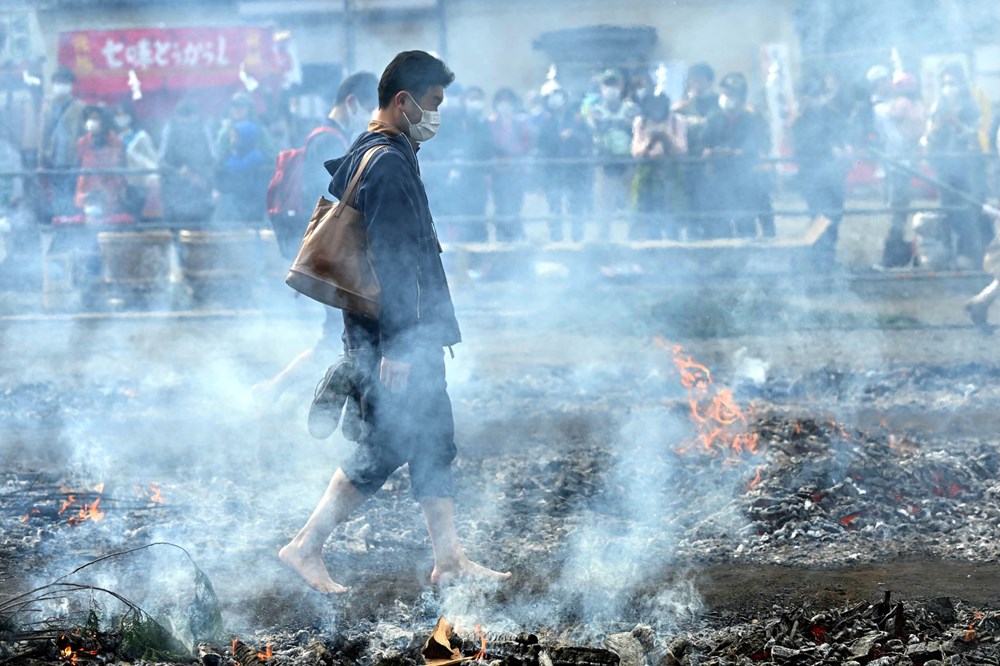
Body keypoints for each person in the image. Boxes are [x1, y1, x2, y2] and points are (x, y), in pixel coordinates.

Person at [278, 50, 512, 593]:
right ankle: (305, 546)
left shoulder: (376, 149)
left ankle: (449, 559)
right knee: (388, 446)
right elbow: (392, 258)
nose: (437, 114)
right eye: (433, 103)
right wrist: (400, 347)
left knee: (431, 438)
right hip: (397, 334)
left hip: (394, 332)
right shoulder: (386, 162)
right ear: (403, 101)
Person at [253, 72, 379, 404]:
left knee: (339, 338)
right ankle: (276, 391)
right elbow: (329, 201)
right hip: (336, 257)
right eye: (369, 108)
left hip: (335, 256)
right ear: (351, 102)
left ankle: (279, 391)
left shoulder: (331, 138)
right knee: (339, 339)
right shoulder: (328, 141)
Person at [923, 64, 988, 269]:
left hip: (968, 168)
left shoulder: (971, 107)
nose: (948, 88)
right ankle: (948, 256)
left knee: (969, 211)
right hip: (945, 168)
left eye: (952, 83)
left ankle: (969, 257)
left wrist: (958, 123)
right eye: (945, 84)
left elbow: (977, 135)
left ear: (961, 84)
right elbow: (929, 137)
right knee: (947, 211)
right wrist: (937, 127)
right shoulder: (937, 106)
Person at [701, 72, 773, 238]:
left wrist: (740, 152)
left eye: (731, 93)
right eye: (725, 93)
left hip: (745, 175)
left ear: (740, 97)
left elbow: (759, 142)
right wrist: (708, 149)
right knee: (720, 218)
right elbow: (704, 139)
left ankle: (745, 255)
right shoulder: (715, 117)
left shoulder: (751, 118)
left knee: (745, 217)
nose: (726, 97)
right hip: (720, 174)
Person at [792, 74, 849, 268]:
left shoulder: (832, 114)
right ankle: (814, 255)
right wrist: (827, 149)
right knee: (820, 216)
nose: (816, 97)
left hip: (835, 176)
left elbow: (844, 134)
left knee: (836, 215)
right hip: (812, 178)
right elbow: (801, 148)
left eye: (819, 93)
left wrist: (846, 147)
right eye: (812, 94)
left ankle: (828, 255)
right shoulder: (800, 120)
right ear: (804, 96)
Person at [874, 71, 926, 268]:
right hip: (907, 160)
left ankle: (891, 257)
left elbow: (889, 115)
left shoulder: (901, 104)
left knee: (896, 210)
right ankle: (897, 252)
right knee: (900, 209)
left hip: (898, 161)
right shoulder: (918, 104)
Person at [585, 69, 639, 239]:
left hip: (628, 163)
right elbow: (594, 128)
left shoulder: (632, 108)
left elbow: (635, 128)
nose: (611, 88)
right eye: (607, 84)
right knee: (602, 205)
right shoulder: (594, 110)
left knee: (632, 204)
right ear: (601, 87)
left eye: (614, 84)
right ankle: (603, 240)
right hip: (604, 164)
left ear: (621, 86)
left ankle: (634, 239)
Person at [536, 86, 592, 242]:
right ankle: (556, 240)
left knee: (576, 207)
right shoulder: (545, 122)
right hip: (553, 171)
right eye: (552, 96)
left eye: (558, 95)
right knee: (554, 208)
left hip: (575, 170)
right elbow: (541, 147)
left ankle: (577, 239)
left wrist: (573, 134)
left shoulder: (577, 119)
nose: (556, 99)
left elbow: (588, 140)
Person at [630, 91, 687, 240]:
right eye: (652, 104)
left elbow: (682, 150)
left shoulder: (676, 121)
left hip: (670, 174)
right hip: (647, 176)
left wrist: (667, 137)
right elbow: (636, 152)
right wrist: (649, 140)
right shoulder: (640, 122)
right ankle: (653, 252)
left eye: (659, 104)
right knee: (649, 216)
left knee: (672, 215)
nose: (656, 108)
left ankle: (674, 248)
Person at [38, 67, 86, 220]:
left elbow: (83, 134)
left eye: (65, 82)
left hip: (72, 159)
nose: (61, 85)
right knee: (56, 193)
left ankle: (70, 222)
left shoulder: (79, 107)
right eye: (58, 82)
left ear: (71, 85)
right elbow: (42, 135)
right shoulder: (47, 107)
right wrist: (41, 160)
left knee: (71, 193)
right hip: (52, 158)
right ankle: (59, 222)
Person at [159, 99, 216, 224]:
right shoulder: (171, 128)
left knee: (201, 224)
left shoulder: (203, 128)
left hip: (200, 187)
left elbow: (211, 158)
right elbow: (163, 161)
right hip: (175, 188)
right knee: (176, 222)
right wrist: (180, 173)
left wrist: (201, 176)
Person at [488, 87, 531, 242]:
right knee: (500, 205)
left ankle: (517, 236)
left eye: (508, 102)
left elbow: (527, 144)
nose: (505, 106)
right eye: (502, 102)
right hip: (498, 172)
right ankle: (502, 237)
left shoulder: (520, 124)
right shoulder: (491, 123)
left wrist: (517, 159)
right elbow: (488, 145)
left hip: (516, 172)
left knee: (516, 204)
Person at [212, 119, 269, 226]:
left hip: (253, 202)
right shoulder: (234, 153)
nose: (232, 140)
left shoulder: (256, 155)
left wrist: (230, 156)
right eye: (232, 136)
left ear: (245, 138)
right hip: (235, 202)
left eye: (235, 137)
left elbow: (237, 167)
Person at [74, 105, 127, 220]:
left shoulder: (116, 143)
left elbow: (121, 168)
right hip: (86, 190)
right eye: (90, 118)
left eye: (96, 118)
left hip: (109, 191)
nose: (92, 122)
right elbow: (78, 165)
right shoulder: (82, 142)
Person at [111, 102, 160, 220]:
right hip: (117, 185)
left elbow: (152, 160)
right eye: (117, 115)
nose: (121, 118)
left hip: (138, 182)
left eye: (124, 114)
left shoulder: (141, 137)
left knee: (136, 216)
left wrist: (153, 177)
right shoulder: (112, 138)